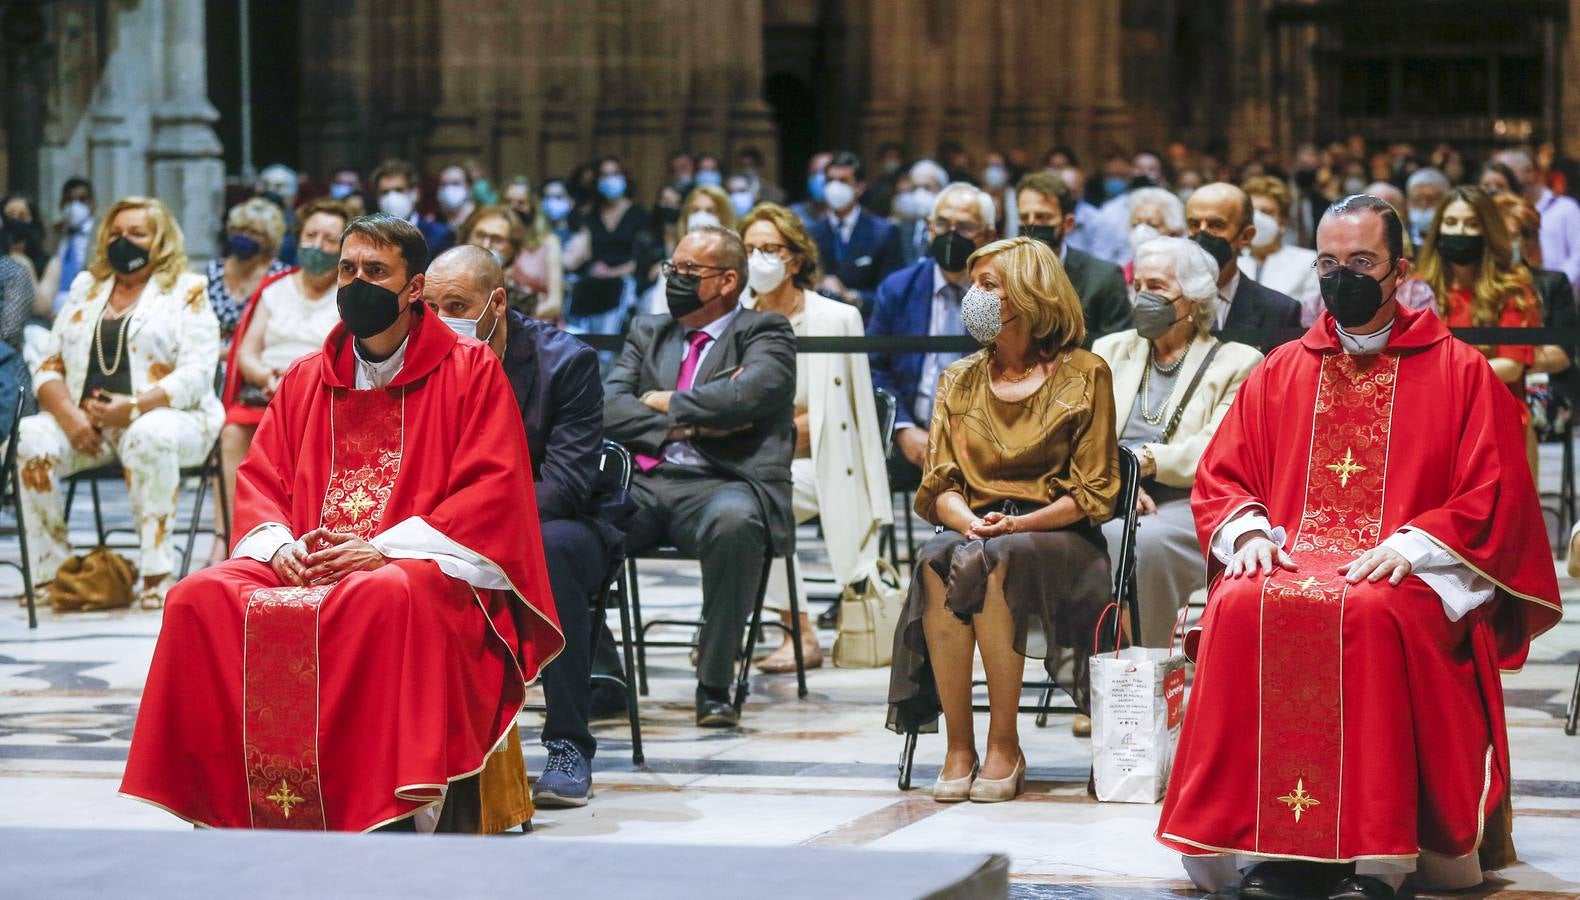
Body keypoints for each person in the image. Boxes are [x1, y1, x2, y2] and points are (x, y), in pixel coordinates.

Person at [1157, 194, 1562, 898]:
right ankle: (1256, 837)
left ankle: (1381, 852)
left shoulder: (1458, 370)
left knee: (1374, 611)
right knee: (1239, 603)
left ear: (1400, 270)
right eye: (1329, 263)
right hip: (1294, 549)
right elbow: (1225, 473)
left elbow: (1493, 492)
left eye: (1362, 262)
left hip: (1405, 564)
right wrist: (1248, 532)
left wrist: (1418, 543)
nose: (1342, 277)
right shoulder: (1284, 366)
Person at [120, 213, 565, 833]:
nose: (357, 282)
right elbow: (262, 478)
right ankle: (229, 799)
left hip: (416, 564)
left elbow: (490, 492)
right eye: (349, 269)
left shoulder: (470, 371)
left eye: (376, 272)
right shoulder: (308, 376)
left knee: (381, 598)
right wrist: (278, 548)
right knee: (197, 597)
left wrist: (380, 549)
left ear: (414, 289)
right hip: (304, 559)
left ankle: (380, 801)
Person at [885, 236, 1119, 804]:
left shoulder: (1085, 373)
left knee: (991, 562)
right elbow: (938, 484)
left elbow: (1095, 493)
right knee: (937, 559)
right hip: (974, 528)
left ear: (1031, 293)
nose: (975, 295)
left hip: (1059, 536)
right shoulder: (958, 378)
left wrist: (1015, 525)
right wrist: (968, 521)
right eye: (974, 284)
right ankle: (958, 747)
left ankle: (1003, 744)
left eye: (989, 285)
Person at [423, 245, 611, 809]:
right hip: (448, 523)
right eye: (429, 307)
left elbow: (566, 484)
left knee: (550, 553)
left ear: (496, 304)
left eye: (455, 305)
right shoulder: (422, 359)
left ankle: (568, 743)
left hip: (554, 522)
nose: (439, 321)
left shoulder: (566, 363)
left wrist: (473, 525)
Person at [603, 225, 796, 728]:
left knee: (737, 525)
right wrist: (687, 425)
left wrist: (665, 401)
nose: (675, 278)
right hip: (645, 481)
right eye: (673, 268)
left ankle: (714, 685)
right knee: (569, 532)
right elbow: (609, 407)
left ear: (727, 280)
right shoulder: (649, 330)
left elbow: (750, 396)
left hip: (725, 483)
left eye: (690, 271)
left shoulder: (765, 330)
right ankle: (600, 677)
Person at [17, 197, 222, 610]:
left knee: (147, 434)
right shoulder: (85, 288)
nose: (123, 241)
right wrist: (70, 417)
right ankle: (51, 575)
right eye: (116, 233)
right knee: (30, 435)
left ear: (160, 240)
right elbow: (47, 364)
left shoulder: (188, 289)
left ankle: (156, 572)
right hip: (88, 424)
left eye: (137, 234)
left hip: (171, 418)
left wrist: (131, 408)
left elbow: (198, 373)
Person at [738, 203, 892, 673]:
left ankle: (798, 634)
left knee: (763, 501)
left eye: (769, 249)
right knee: (740, 507)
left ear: (797, 258)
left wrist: (876, 495)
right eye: (748, 250)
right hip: (753, 458)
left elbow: (857, 412)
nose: (759, 259)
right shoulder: (736, 317)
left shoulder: (836, 318)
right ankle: (752, 632)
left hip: (823, 462)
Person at [1093, 237, 1261, 646]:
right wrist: (1117, 485)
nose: (1143, 298)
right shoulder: (1109, 350)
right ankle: (1095, 674)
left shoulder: (1238, 361)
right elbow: (1084, 435)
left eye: (1158, 288)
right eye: (1138, 287)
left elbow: (1214, 448)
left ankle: (1139, 665)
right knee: (1080, 535)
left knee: (1140, 542)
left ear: (1195, 296)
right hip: (1109, 492)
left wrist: (1140, 462)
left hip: (1190, 501)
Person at [216, 198, 352, 556]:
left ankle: (306, 536)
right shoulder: (275, 288)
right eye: (311, 235)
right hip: (266, 389)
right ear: (298, 237)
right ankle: (236, 540)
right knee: (232, 431)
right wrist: (264, 377)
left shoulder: (349, 294)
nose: (318, 246)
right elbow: (246, 351)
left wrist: (297, 382)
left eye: (329, 239)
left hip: (322, 393)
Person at [869, 182, 998, 496]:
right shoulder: (897, 288)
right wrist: (902, 428)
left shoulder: (1002, 291)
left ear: (988, 236)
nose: (950, 234)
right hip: (908, 436)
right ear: (928, 229)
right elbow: (873, 367)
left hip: (986, 439)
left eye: (964, 226)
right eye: (942, 224)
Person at [1014, 172, 1132, 344]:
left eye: (1042, 217)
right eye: (1025, 217)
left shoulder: (1104, 278)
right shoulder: (1003, 275)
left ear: (1068, 224)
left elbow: (1117, 351)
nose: (1032, 224)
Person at [1184, 182, 1302, 353]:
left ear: (1246, 236)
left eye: (1216, 225)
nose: (1202, 234)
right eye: (1194, 224)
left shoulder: (1279, 311)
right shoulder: (1166, 299)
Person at [809, 152, 903, 312]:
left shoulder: (884, 232)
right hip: (821, 323)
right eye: (830, 181)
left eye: (843, 181)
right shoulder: (810, 232)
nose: (835, 187)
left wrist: (852, 296)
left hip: (865, 324)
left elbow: (893, 292)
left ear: (859, 187)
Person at [568, 157, 650, 336]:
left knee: (618, 290)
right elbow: (584, 252)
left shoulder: (639, 215)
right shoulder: (591, 215)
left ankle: (607, 349)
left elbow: (644, 258)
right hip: (594, 279)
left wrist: (614, 272)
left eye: (615, 174)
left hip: (626, 279)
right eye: (604, 175)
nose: (610, 179)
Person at [1240, 175, 1321, 324]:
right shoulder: (1233, 262)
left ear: (1283, 221)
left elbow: (1312, 319)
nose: (1257, 219)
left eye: (1266, 212)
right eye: (1251, 213)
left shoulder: (1308, 261)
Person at [208, 198, 290, 341]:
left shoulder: (281, 276)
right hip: (210, 352)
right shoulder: (214, 270)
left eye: (253, 232)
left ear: (269, 239)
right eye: (239, 230)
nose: (244, 236)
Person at [1499, 149, 1580, 293]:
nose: (1503, 179)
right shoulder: (1501, 213)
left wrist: (1554, 285)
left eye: (1508, 173)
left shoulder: (1565, 208)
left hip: (1560, 295)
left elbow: (1577, 257)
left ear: (1530, 173)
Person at [35, 178, 95, 317]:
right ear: (62, 203)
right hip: (51, 308)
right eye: (69, 200)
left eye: (82, 199)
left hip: (86, 306)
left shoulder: (101, 232)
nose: (75, 205)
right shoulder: (52, 233)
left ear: (92, 203)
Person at [371, 158, 455, 255]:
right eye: (385, 192)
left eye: (399, 190)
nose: (391, 197)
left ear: (415, 193)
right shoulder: (371, 236)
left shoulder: (439, 235)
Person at [894, 159, 949, 267]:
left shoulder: (953, 229)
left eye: (927, 187)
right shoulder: (900, 228)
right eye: (914, 187)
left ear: (943, 190)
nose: (920, 193)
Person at [3, 194, 49, 279]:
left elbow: (42, 293)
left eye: (22, 216)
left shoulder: (49, 264)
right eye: (9, 216)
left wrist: (25, 265)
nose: (15, 221)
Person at [1404, 166, 1450, 247]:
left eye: (1432, 200)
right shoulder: (1398, 241)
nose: (1424, 206)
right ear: (1408, 202)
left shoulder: (1453, 240)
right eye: (1417, 200)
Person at [789, 151, 834, 227]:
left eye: (825, 173)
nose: (819, 178)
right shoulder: (793, 215)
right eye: (814, 173)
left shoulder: (846, 217)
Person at [436, 164, 477, 233]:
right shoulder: (436, 222)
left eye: (455, 183)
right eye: (443, 184)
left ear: (469, 186)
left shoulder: (479, 220)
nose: (448, 189)